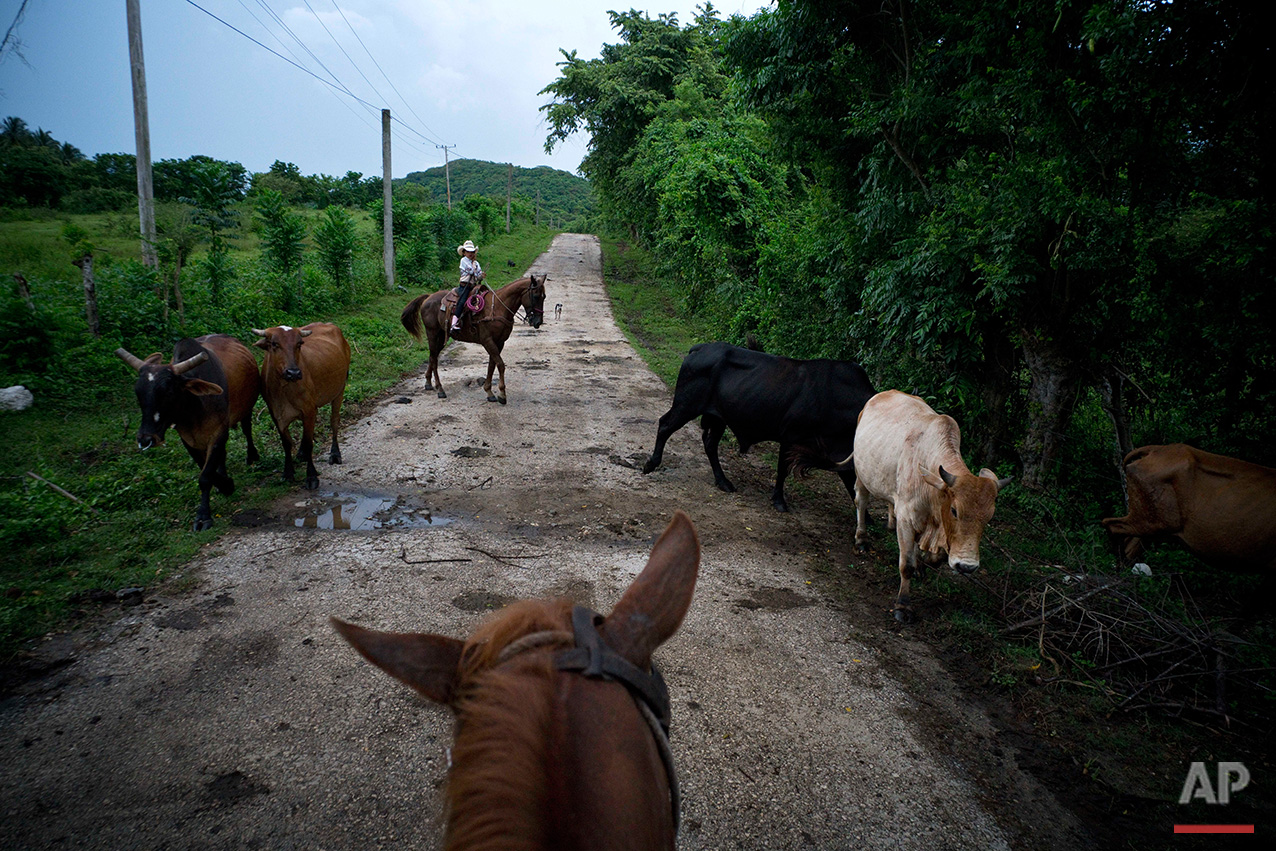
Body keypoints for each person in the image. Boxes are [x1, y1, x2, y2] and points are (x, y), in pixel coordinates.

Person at [451, 240, 486, 334]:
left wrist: (481, 276)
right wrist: (477, 273)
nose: (470, 253)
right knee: (462, 302)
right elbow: (471, 271)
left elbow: (477, 274)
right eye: (468, 251)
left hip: (473, 285)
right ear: (464, 253)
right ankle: (453, 323)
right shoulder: (463, 261)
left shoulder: (476, 263)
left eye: (472, 252)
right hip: (465, 286)